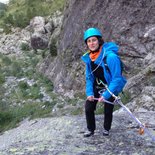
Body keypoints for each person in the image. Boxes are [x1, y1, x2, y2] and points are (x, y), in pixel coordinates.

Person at [81, 27, 127, 137]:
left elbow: (117, 78)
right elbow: (89, 78)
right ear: (87, 44)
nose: (91, 43)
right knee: (88, 107)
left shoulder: (110, 57)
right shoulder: (89, 58)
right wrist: (90, 93)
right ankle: (90, 129)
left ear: (99, 40)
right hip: (97, 85)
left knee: (108, 109)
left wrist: (106, 95)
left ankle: (106, 129)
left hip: (111, 86)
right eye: (89, 41)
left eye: (94, 40)